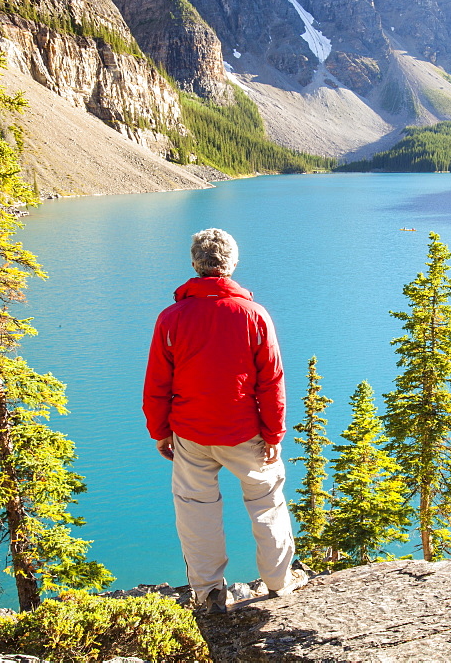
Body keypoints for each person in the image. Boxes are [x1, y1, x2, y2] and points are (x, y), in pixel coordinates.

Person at [143, 228, 306, 614]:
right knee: (266, 503)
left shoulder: (171, 318)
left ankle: (210, 593)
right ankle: (279, 583)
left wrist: (160, 432)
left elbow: (156, 382)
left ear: (196, 265)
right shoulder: (253, 314)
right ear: (231, 264)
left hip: (191, 433)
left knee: (196, 509)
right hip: (246, 432)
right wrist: (274, 432)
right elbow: (272, 380)